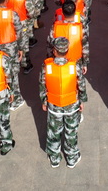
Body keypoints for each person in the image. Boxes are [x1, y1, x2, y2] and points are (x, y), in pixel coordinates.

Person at [40, 36, 87, 168]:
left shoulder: (46, 65)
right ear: (67, 50)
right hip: (72, 104)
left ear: (54, 51)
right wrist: (81, 101)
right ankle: (71, 158)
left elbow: (42, 84)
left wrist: (44, 101)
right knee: (71, 131)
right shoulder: (75, 65)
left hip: (54, 104)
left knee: (54, 132)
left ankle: (54, 158)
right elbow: (81, 85)